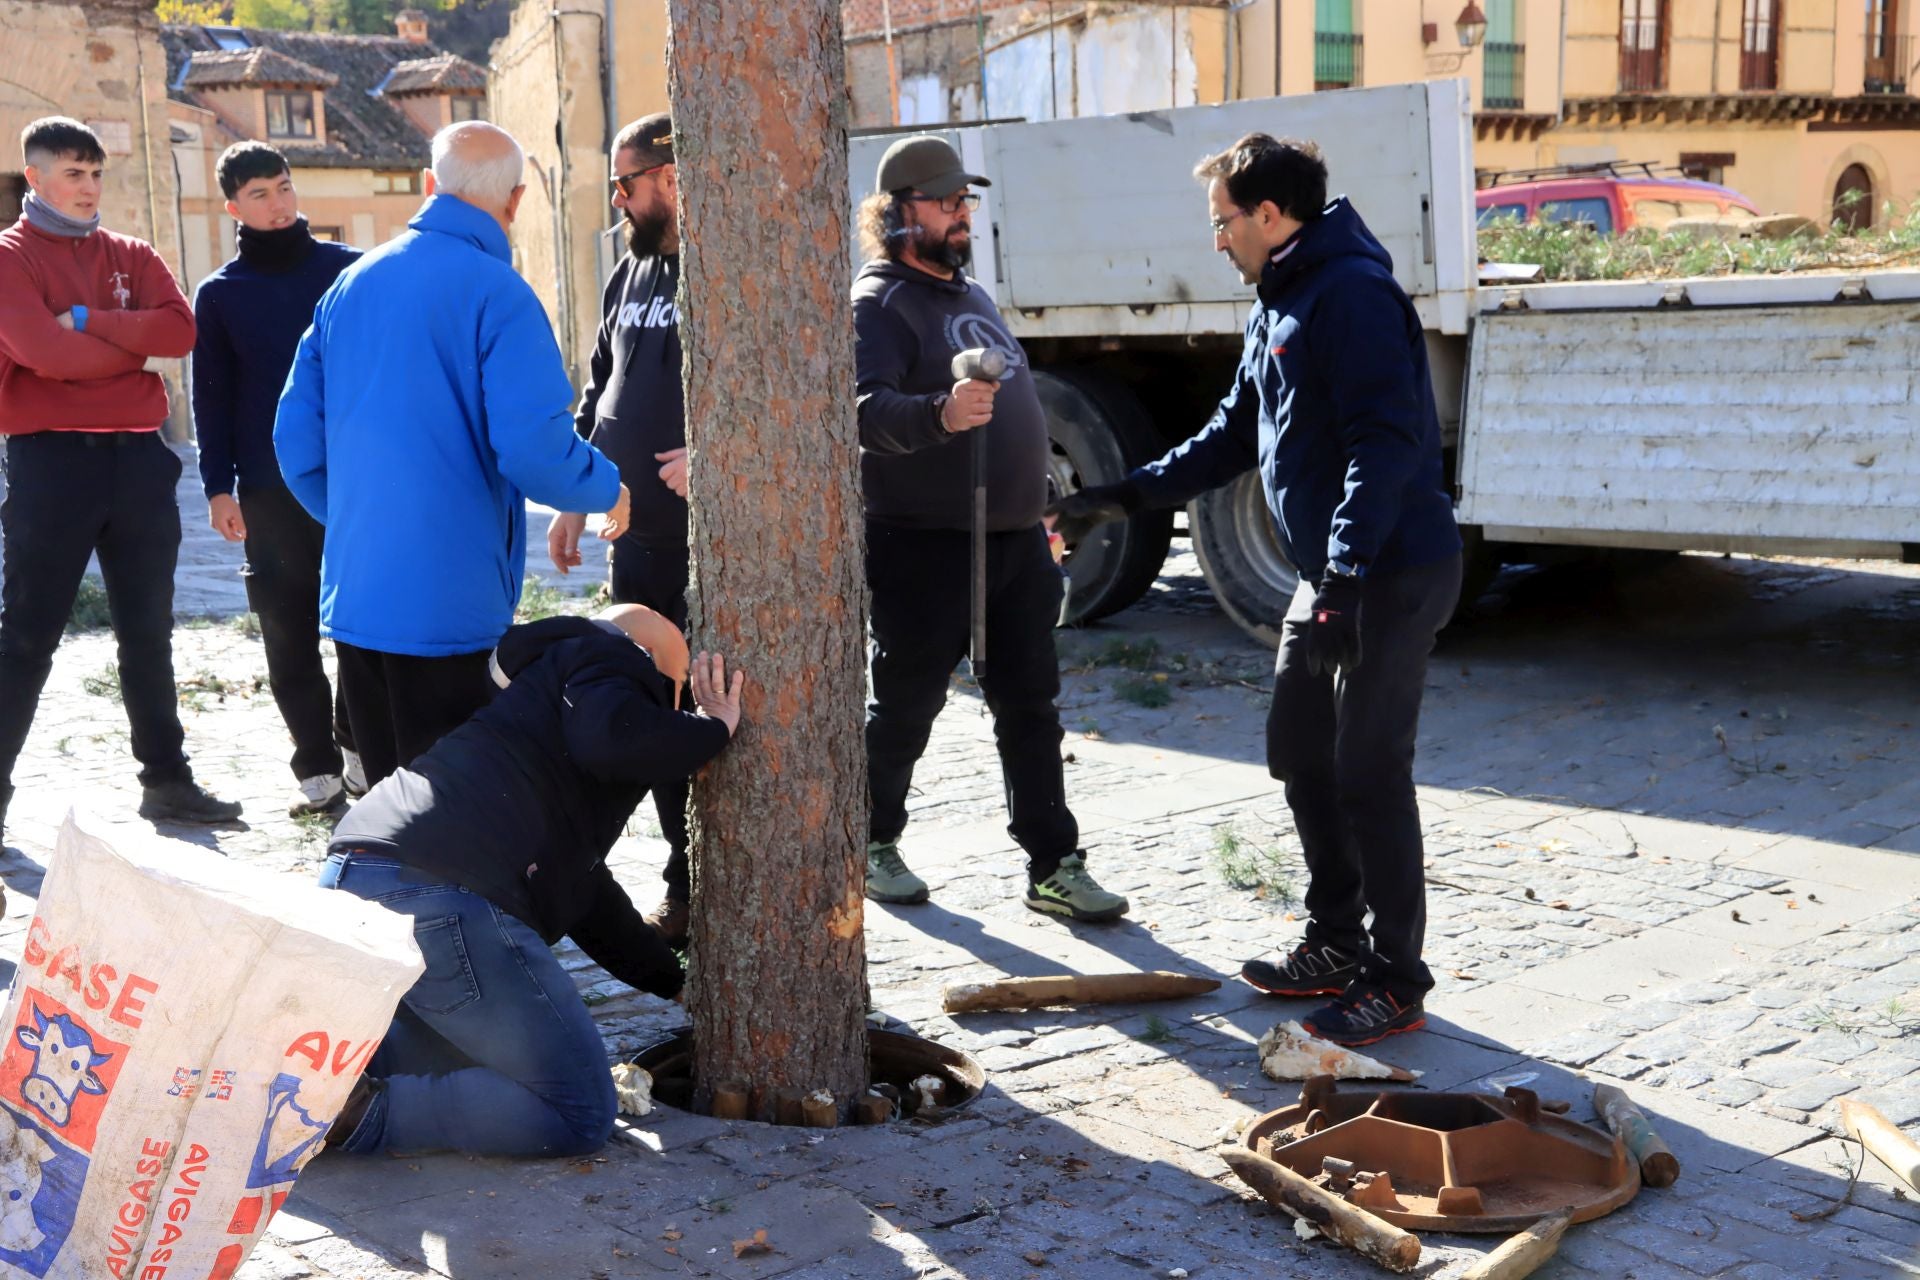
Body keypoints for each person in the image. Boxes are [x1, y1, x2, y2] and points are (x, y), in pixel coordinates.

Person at [1049, 134, 1462, 1047]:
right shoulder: (1282, 297)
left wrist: (1346, 576)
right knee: (1299, 750)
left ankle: (1398, 974)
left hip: (1390, 572)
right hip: (1335, 576)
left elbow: (1384, 445)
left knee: (1367, 768)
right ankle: (1335, 941)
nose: (1217, 240)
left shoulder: (1349, 294)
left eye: (1223, 221)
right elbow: (1232, 437)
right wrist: (1109, 501)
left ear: (1270, 217)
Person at [276, 121, 631, 790]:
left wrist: (359, 518)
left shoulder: (350, 285)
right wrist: (607, 489)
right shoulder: (501, 294)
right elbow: (534, 449)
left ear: (428, 185)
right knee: (455, 810)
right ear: (517, 200)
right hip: (450, 602)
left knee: (387, 806)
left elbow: (293, 442)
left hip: (360, 592)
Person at [319, 606, 744, 1157]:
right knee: (578, 1110)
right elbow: (611, 741)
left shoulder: (537, 705)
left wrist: (671, 981)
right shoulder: (604, 653)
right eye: (681, 685)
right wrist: (713, 728)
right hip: (442, 892)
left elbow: (583, 889)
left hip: (358, 868)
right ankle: (357, 1117)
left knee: (471, 1050)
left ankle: (312, 1083)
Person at [851, 135, 1127, 923]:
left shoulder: (971, 296)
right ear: (897, 214)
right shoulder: (878, 303)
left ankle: (1052, 864)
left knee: (1031, 706)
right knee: (908, 703)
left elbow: (1018, 412)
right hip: (923, 544)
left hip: (1010, 541)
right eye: (944, 204)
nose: (960, 217)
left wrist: (1038, 500)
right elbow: (861, 412)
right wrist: (938, 414)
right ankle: (868, 842)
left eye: (964, 203)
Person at [0, 116, 242, 841]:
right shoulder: (10, 258)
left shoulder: (131, 253)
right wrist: (122, 348)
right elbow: (44, 354)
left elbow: (179, 332)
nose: (88, 187)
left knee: (148, 634)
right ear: (35, 178)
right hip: (52, 463)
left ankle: (166, 783)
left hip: (139, 461)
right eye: (72, 173)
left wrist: (84, 320)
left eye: (95, 173)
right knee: (25, 640)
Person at [547, 113, 694, 945]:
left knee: (701, 708)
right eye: (630, 184)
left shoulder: (721, 267)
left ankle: (693, 882)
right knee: (645, 710)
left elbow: (780, 398)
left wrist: (716, 455)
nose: (624, 198)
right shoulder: (628, 275)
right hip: (631, 542)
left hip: (714, 545)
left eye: (632, 181)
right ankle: (671, 876)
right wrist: (574, 491)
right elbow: (598, 392)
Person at [192, 141, 362, 816]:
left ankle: (359, 754)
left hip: (355, 480)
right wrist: (216, 486)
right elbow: (212, 396)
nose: (277, 202)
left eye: (284, 187)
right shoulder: (221, 295)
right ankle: (317, 773)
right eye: (259, 193)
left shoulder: (347, 271)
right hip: (267, 487)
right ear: (233, 205)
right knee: (287, 630)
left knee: (359, 621)